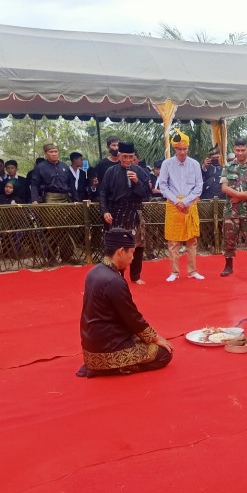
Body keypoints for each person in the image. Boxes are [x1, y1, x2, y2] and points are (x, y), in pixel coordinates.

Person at [76, 228, 174, 378]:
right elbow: (132, 317)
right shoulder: (114, 281)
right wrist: (155, 337)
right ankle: (111, 369)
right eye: (132, 253)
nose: (133, 258)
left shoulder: (94, 272)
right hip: (106, 349)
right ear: (121, 251)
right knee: (164, 353)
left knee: (144, 340)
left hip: (92, 346)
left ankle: (102, 366)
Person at [156, 130, 205, 281]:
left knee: (192, 240)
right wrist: (176, 201)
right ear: (175, 149)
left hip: (190, 204)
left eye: (185, 149)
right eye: (179, 149)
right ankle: (174, 272)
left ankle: (192, 271)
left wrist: (187, 201)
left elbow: (199, 186)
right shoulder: (167, 164)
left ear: (188, 148)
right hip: (173, 204)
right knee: (173, 240)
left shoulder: (195, 164)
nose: (182, 152)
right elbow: (163, 186)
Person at [99, 141, 151, 284]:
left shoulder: (140, 171)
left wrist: (136, 181)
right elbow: (102, 192)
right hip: (116, 212)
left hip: (135, 211)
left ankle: (135, 276)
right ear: (120, 155)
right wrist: (105, 211)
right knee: (118, 247)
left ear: (134, 157)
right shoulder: (111, 172)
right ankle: (117, 276)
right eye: (125, 156)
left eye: (131, 157)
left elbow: (146, 194)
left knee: (137, 247)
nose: (128, 160)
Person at [219, 138, 247, 277]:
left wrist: (243, 196)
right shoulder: (227, 168)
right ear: (234, 150)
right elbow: (224, 187)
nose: (240, 153)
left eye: (243, 150)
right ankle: (228, 266)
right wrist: (239, 194)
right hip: (231, 210)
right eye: (237, 150)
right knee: (229, 238)